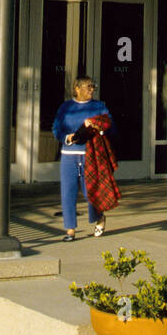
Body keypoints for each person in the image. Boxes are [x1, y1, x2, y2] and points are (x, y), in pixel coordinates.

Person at [52, 76, 116, 241]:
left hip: (91, 155)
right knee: (68, 192)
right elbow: (56, 129)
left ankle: (99, 217)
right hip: (69, 155)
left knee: (91, 192)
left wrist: (97, 126)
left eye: (93, 86)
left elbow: (110, 125)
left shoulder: (99, 106)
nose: (92, 89)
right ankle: (70, 230)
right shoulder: (66, 107)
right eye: (88, 87)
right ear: (77, 88)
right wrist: (67, 138)